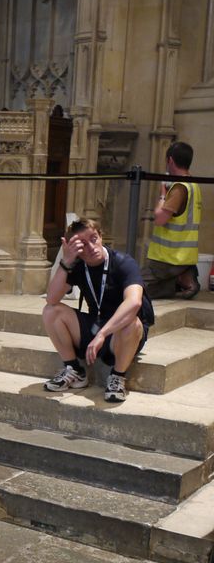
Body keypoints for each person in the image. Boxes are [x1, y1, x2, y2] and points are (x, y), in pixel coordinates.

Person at [42, 219, 154, 403]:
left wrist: (102, 334)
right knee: (51, 311)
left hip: (122, 334)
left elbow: (134, 303)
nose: (91, 247)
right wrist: (66, 261)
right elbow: (52, 298)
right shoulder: (77, 266)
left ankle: (117, 376)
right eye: (83, 245)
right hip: (95, 326)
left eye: (94, 239)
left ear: (101, 236)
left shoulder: (123, 262)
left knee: (131, 322)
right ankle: (74, 371)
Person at [142, 141, 202, 299]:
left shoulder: (179, 188)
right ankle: (184, 277)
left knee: (133, 287)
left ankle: (181, 279)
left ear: (170, 160)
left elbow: (160, 219)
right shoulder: (193, 184)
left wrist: (162, 194)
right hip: (184, 255)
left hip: (168, 259)